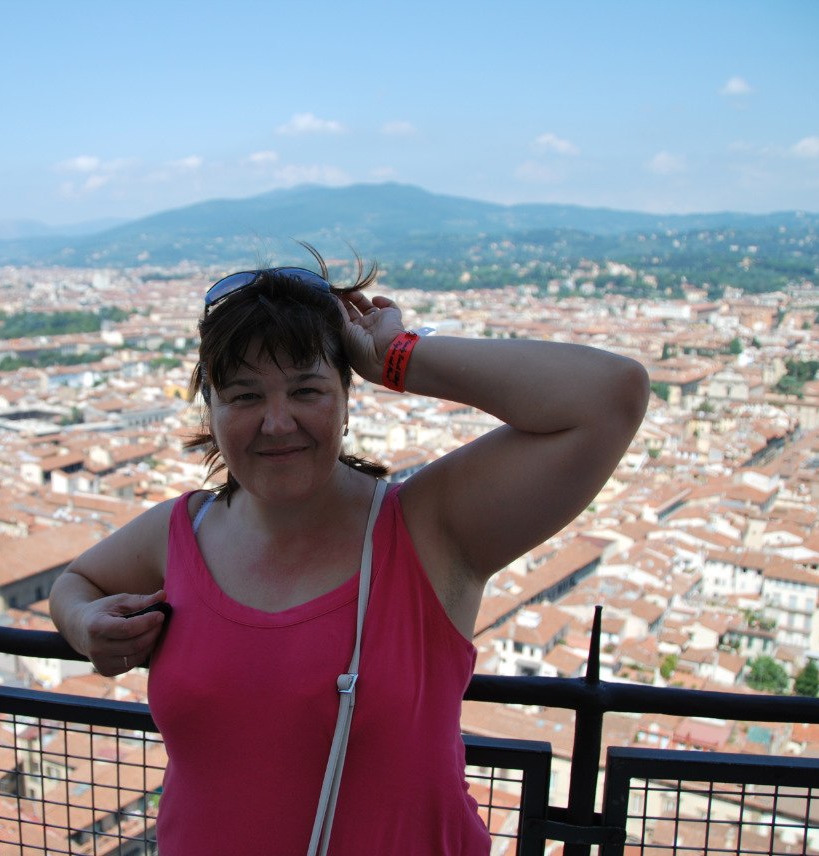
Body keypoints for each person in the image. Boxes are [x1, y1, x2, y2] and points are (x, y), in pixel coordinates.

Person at [48, 246, 649, 854]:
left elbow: (611, 396)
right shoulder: (180, 531)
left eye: (306, 390)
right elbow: (75, 584)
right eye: (245, 396)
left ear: (346, 395)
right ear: (212, 408)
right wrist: (83, 624)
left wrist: (398, 356)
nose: (277, 422)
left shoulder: (429, 529)